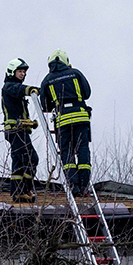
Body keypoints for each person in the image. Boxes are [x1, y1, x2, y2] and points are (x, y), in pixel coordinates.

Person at [39, 49, 92, 194]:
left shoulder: (47, 80)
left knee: (66, 152)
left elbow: (45, 105)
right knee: (82, 149)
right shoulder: (76, 73)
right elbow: (87, 93)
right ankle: (84, 184)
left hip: (63, 120)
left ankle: (73, 184)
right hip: (81, 117)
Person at [1, 58, 40, 203]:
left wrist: (29, 123)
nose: (22, 74)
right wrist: (33, 90)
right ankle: (25, 189)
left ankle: (18, 193)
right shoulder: (9, 87)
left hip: (19, 130)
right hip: (15, 130)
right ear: (12, 72)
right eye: (20, 71)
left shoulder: (14, 89)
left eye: (23, 72)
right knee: (31, 159)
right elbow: (20, 89)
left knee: (18, 162)